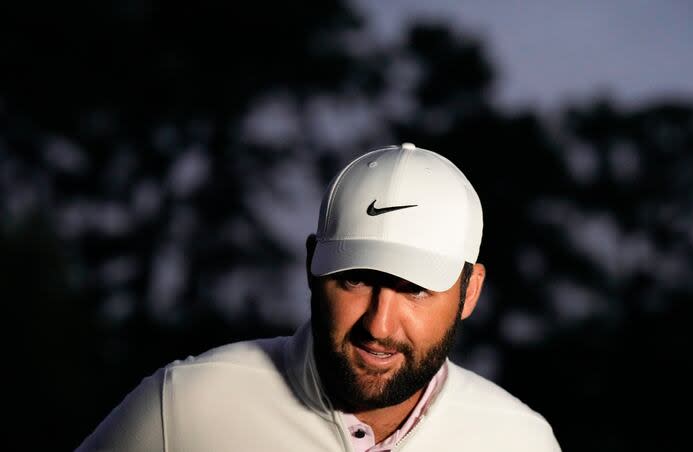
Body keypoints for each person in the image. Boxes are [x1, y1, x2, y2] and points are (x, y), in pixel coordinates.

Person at [76, 143, 562, 451]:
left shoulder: (521, 441)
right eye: (355, 279)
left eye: (414, 288)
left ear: (470, 290)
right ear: (313, 264)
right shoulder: (183, 406)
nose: (379, 323)